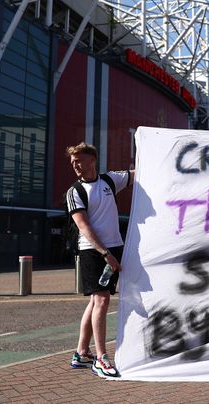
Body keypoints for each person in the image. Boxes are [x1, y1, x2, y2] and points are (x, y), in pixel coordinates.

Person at [66, 142, 134, 378]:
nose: (75, 165)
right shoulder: (74, 191)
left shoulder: (109, 180)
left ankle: (82, 352)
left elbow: (137, 176)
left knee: (96, 300)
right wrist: (106, 254)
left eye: (79, 160)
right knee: (102, 301)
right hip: (93, 251)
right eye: (72, 162)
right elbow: (83, 226)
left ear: (92, 160)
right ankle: (101, 358)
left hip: (114, 247)